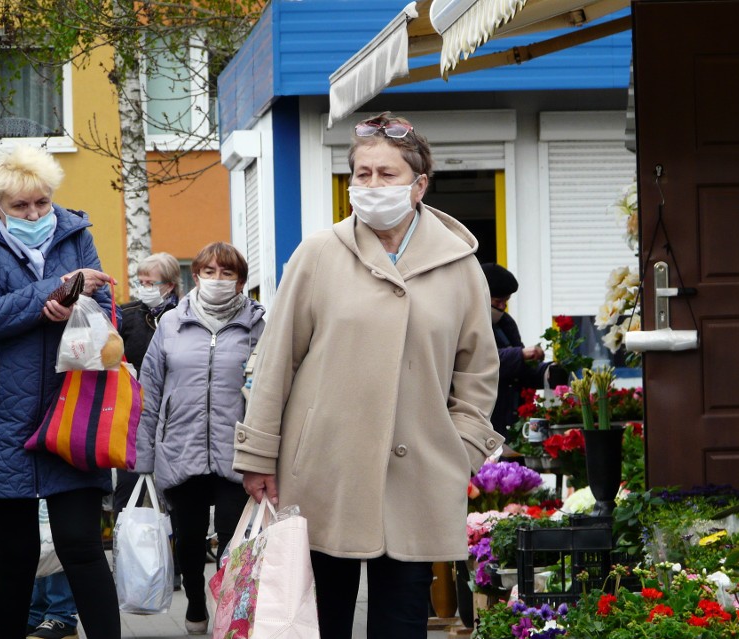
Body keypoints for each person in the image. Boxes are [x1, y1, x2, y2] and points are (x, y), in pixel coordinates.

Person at [232, 112, 504, 639]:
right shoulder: (318, 254)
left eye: (388, 174)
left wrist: (461, 447)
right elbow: (275, 361)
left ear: (419, 185)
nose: (372, 185)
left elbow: (478, 370)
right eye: (363, 174)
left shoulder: (460, 264)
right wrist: (258, 454)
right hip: (322, 472)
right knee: (316, 619)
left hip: (418, 473)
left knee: (403, 622)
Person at [0, 145, 120, 639]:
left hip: (75, 408)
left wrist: (76, 304)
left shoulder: (76, 231)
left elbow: (105, 299)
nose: (33, 214)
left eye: (41, 203)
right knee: (17, 555)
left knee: (82, 546)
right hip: (1, 415)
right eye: (20, 206)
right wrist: (59, 288)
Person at [135, 241, 266, 635]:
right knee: (190, 542)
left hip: (236, 452)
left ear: (241, 282)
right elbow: (150, 391)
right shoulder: (172, 323)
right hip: (181, 449)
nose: (217, 280)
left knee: (234, 541)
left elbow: (272, 389)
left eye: (227, 274)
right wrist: (144, 459)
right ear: (197, 277)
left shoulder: (258, 324)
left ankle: (229, 614)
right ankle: (194, 602)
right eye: (209, 272)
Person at [113, 251, 184, 589]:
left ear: (170, 285)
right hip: (133, 416)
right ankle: (124, 561)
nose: (144, 288)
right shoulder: (126, 315)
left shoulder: (184, 315)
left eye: (150, 282)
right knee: (126, 491)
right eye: (140, 282)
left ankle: (177, 567)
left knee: (175, 495)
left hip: (175, 419)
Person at [482, 263, 567, 439]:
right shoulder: (464, 326)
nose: (503, 307)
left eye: (506, 301)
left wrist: (546, 372)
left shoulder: (506, 324)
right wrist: (520, 355)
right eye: (498, 301)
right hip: (484, 420)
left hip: (510, 419)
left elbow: (520, 371)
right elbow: (482, 362)